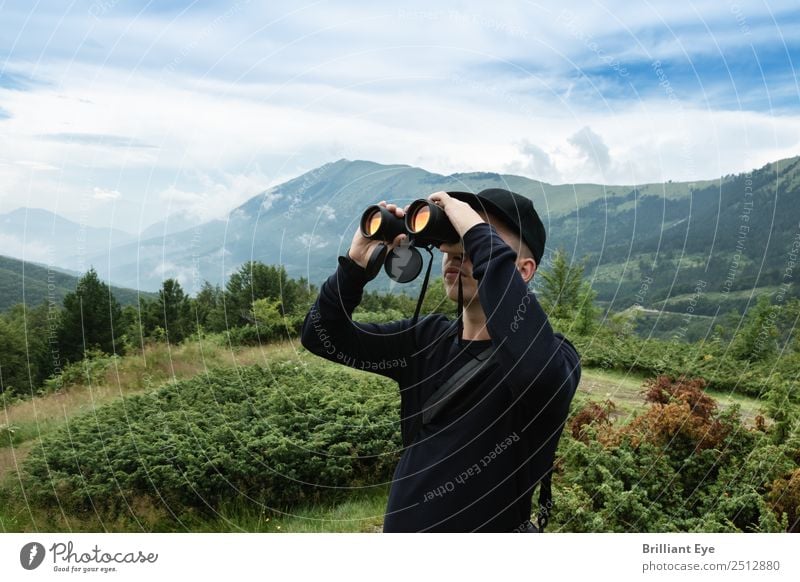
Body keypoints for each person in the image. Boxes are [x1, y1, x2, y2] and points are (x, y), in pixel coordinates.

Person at [300, 189, 581, 532]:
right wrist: (354, 266)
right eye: (455, 237)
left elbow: (537, 372)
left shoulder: (556, 357)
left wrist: (476, 233)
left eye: (479, 236)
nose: (457, 252)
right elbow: (322, 337)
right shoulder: (426, 338)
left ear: (522, 270)